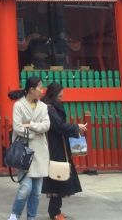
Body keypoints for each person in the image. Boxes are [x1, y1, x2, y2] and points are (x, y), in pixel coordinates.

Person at [41, 82, 86, 220]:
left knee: (60, 176)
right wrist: (76, 127)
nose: (63, 95)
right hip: (55, 147)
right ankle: (54, 212)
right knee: (58, 177)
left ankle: (56, 210)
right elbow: (59, 126)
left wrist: (74, 129)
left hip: (59, 145)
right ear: (54, 93)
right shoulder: (50, 108)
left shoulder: (53, 106)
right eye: (61, 93)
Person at [7, 76, 49, 220]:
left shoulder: (43, 106)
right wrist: (36, 130)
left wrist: (30, 125)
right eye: (40, 87)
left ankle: (31, 217)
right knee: (26, 189)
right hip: (24, 151)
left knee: (36, 191)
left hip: (40, 151)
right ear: (31, 89)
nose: (42, 90)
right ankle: (14, 215)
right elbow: (17, 127)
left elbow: (46, 125)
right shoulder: (19, 105)